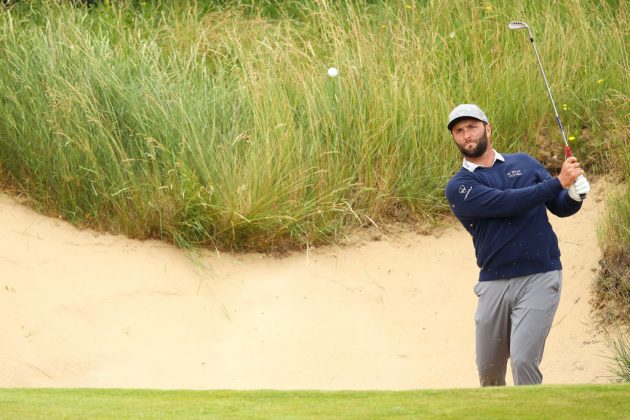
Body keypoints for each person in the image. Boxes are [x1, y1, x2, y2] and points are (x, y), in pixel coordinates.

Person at [444, 104, 591, 386]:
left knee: (524, 361)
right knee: (488, 371)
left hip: (540, 275)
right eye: (459, 131)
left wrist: (573, 194)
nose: (466, 135)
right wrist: (558, 182)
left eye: (471, 127)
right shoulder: (460, 186)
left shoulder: (524, 163)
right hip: (493, 283)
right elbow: (506, 204)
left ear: (487, 128)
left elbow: (558, 206)